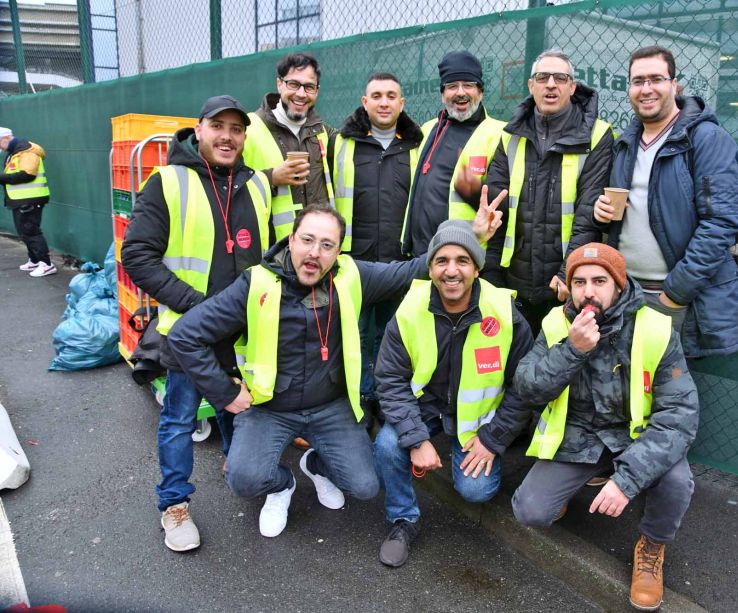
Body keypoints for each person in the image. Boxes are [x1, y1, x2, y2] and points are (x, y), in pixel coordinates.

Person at [167, 193, 505, 540]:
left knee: (365, 486)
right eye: (308, 240)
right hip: (270, 408)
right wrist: (224, 392)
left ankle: (315, 464)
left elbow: (414, 270)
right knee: (244, 478)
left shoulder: (351, 276)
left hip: (330, 407)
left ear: (339, 252)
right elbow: (184, 336)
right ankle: (282, 487)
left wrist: (472, 235)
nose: (315, 252)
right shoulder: (255, 283)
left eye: (327, 245)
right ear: (292, 239)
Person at [511, 242, 698, 611]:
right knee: (529, 511)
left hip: (635, 437)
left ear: (618, 284)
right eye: (579, 282)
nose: (589, 291)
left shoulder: (655, 328)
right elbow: (527, 388)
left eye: (600, 280)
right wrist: (572, 350)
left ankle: (652, 546)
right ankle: (578, 485)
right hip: (579, 439)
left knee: (678, 482)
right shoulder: (555, 323)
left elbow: (680, 414)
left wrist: (626, 482)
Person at [121, 95, 272, 552]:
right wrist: (198, 306)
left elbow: (269, 257)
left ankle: (235, 467)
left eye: (236, 129)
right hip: (187, 332)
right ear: (199, 130)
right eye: (218, 127)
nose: (227, 136)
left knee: (235, 405)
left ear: (245, 137)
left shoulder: (257, 186)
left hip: (243, 333)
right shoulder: (167, 182)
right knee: (180, 420)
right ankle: (174, 505)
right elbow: (137, 256)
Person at [373, 219, 533, 568]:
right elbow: (389, 378)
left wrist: (493, 439)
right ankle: (403, 520)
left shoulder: (506, 315)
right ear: (430, 269)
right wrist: (416, 439)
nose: (451, 270)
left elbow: (524, 389)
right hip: (426, 407)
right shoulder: (410, 310)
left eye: (462, 260)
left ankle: (486, 454)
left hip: (478, 419)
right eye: (441, 261)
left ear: (477, 268)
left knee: (476, 491)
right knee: (387, 446)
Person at [574, 45, 738, 357]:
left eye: (656, 79)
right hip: (626, 293)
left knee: (671, 394)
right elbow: (630, 211)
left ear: (674, 84)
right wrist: (602, 215)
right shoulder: (625, 143)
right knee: (625, 390)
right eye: (638, 81)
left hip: (674, 296)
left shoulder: (706, 139)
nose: (646, 89)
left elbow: (721, 223)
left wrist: (676, 293)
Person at [484, 49, 613, 332]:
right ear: (531, 86)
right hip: (512, 280)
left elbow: (587, 213)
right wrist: (491, 273)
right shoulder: (511, 136)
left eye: (560, 77)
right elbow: (497, 208)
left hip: (563, 286)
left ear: (572, 86)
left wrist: (570, 271)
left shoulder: (597, 135)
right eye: (542, 77)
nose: (551, 84)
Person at [328, 72, 424, 420]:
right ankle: (359, 397)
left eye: (391, 96)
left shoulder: (417, 145)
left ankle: (386, 397)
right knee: (355, 333)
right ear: (364, 102)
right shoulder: (340, 142)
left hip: (398, 261)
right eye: (376, 96)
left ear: (402, 103)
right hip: (354, 259)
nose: (384, 102)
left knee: (392, 333)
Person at [400, 50, 505, 258]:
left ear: (481, 92)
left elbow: (508, 205)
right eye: (452, 86)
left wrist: (473, 192)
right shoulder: (428, 129)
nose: (460, 92)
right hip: (419, 256)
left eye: (468, 85)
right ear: (442, 94)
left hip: (466, 258)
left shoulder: (500, 134)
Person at [243, 52, 335, 239]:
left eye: (309, 87)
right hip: (272, 249)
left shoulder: (323, 132)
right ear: (279, 84)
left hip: (318, 247)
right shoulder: (249, 128)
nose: (301, 94)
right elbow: (226, 185)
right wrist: (271, 178)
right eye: (293, 84)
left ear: (317, 91)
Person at [0, 127, 55, 277]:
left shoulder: (27, 151)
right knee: (24, 232)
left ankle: (47, 264)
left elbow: (27, 175)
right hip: (21, 199)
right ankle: (35, 260)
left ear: (5, 138)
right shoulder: (15, 153)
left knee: (31, 231)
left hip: (31, 198)